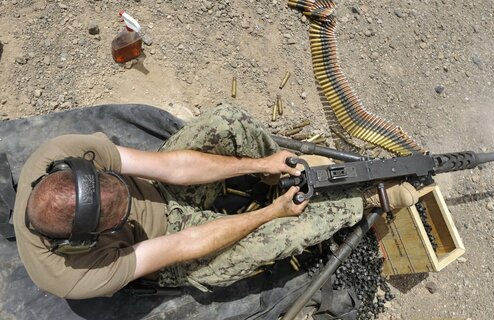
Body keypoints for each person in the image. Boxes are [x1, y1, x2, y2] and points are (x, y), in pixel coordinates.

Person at [13, 104, 418, 299]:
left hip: (163, 190)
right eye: (118, 216)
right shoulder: (72, 276)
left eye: (115, 185)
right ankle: (364, 199)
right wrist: (270, 213)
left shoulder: (61, 155)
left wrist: (259, 162)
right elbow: (184, 245)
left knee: (225, 122)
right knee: (279, 236)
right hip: (166, 248)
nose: (129, 207)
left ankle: (279, 171)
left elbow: (171, 169)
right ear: (88, 239)